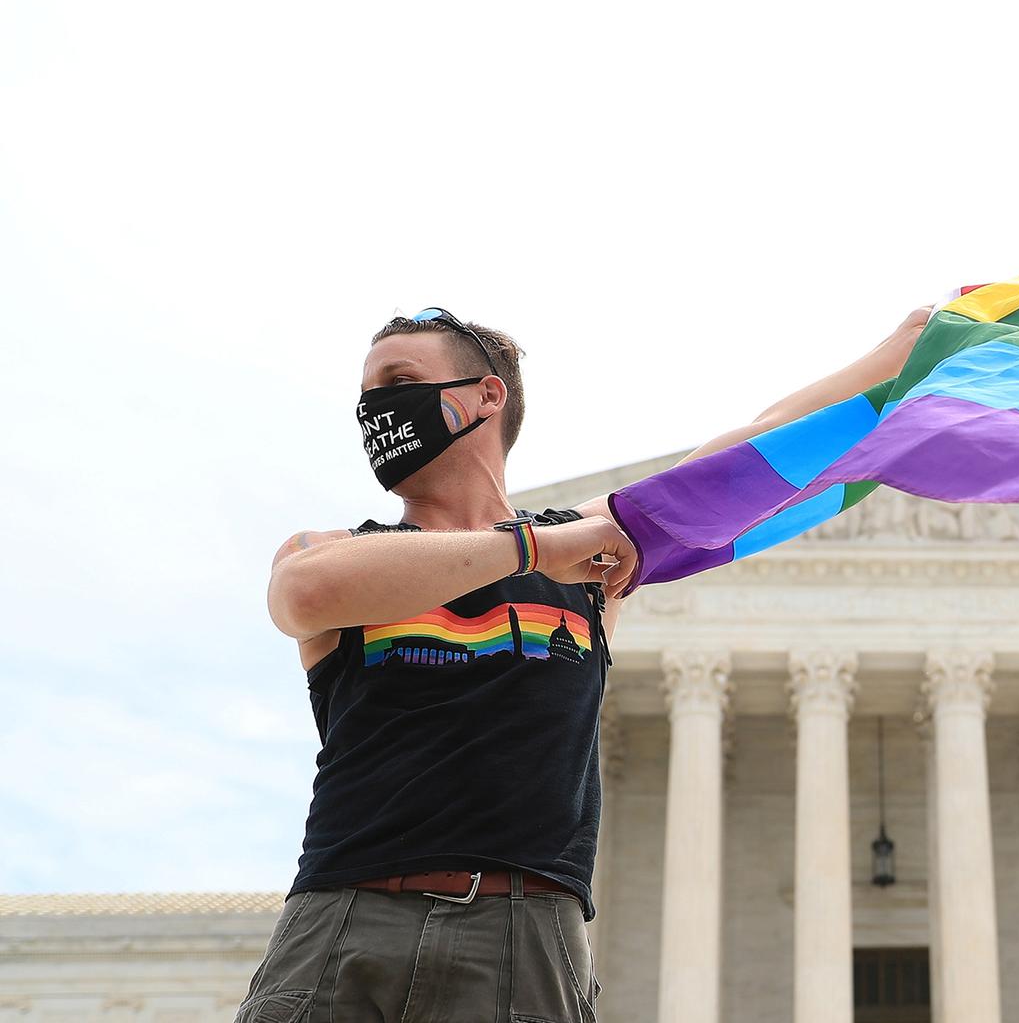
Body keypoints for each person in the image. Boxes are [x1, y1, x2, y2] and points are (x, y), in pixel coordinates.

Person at [237, 304, 930, 1023]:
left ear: (486, 396)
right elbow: (303, 592)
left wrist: (893, 356)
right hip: (350, 916)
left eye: (398, 380)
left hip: (525, 937)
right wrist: (536, 548)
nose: (374, 407)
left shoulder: (592, 560)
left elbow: (748, 451)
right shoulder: (337, 551)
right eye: (367, 393)